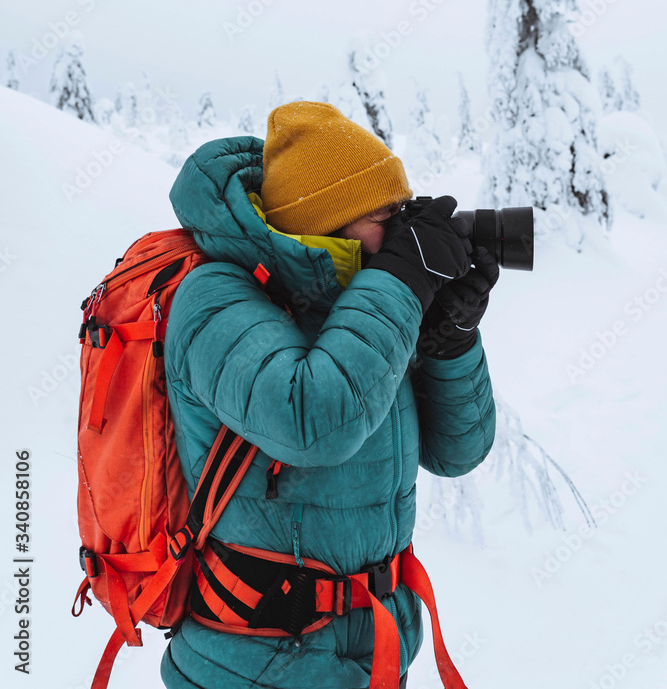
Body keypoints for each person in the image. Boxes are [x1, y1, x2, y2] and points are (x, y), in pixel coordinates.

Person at [160, 100, 497, 689]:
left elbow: (458, 450)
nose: (399, 234)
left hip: (373, 657)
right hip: (256, 663)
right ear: (324, 220)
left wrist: (451, 334)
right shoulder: (214, 298)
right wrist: (398, 282)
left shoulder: (362, 304)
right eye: (384, 217)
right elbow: (315, 422)